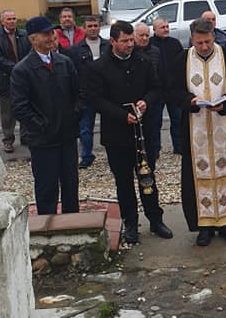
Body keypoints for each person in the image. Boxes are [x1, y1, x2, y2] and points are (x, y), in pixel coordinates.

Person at [84, 21, 173, 245]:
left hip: (143, 131)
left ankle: (155, 219)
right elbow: (95, 100)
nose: (130, 44)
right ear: (113, 41)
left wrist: (146, 102)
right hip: (117, 134)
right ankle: (131, 223)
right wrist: (122, 115)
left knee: (147, 177)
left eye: (131, 40)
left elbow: (156, 88)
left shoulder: (143, 61)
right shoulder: (98, 67)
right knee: (124, 182)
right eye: (125, 41)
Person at [171, 17, 226, 247]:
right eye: (199, 42)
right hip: (194, 129)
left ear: (214, 37)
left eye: (208, 42)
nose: (204, 46)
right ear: (192, 39)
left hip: (223, 127)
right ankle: (204, 227)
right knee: (196, 176)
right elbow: (173, 91)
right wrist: (190, 101)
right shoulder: (182, 60)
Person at [10, 15, 80, 215]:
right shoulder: (22, 70)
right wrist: (42, 126)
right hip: (43, 140)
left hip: (66, 137)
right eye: (45, 34)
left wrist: (72, 118)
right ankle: (48, 226)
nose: (51, 37)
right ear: (33, 39)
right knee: (47, 188)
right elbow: (20, 107)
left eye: (51, 33)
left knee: (70, 185)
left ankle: (72, 224)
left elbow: (78, 95)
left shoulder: (64, 62)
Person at [0, 9, 31, 153]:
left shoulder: (24, 35)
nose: (12, 21)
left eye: (14, 18)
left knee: (26, 107)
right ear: (2, 21)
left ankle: (26, 137)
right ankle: (8, 140)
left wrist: (24, 69)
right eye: (9, 19)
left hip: (24, 78)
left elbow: (30, 52)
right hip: (6, 79)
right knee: (7, 113)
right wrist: (17, 69)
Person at [68, 15, 109, 169]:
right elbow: (73, 73)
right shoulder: (75, 50)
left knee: (111, 126)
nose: (93, 29)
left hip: (106, 94)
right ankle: (86, 156)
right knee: (85, 129)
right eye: (89, 26)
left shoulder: (108, 46)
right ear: (84, 29)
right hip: (86, 95)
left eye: (95, 26)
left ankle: (112, 152)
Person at [149, 17, 183, 159]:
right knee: (155, 122)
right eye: (162, 27)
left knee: (177, 119)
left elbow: (181, 64)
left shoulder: (175, 43)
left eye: (167, 27)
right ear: (155, 29)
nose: (166, 29)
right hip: (157, 90)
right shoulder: (150, 44)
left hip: (173, 89)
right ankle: (155, 149)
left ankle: (179, 146)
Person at [132, 23, 161, 166]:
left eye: (146, 35)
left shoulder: (155, 51)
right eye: (141, 35)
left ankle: (153, 155)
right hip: (136, 98)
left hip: (152, 97)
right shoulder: (131, 53)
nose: (144, 38)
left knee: (153, 129)